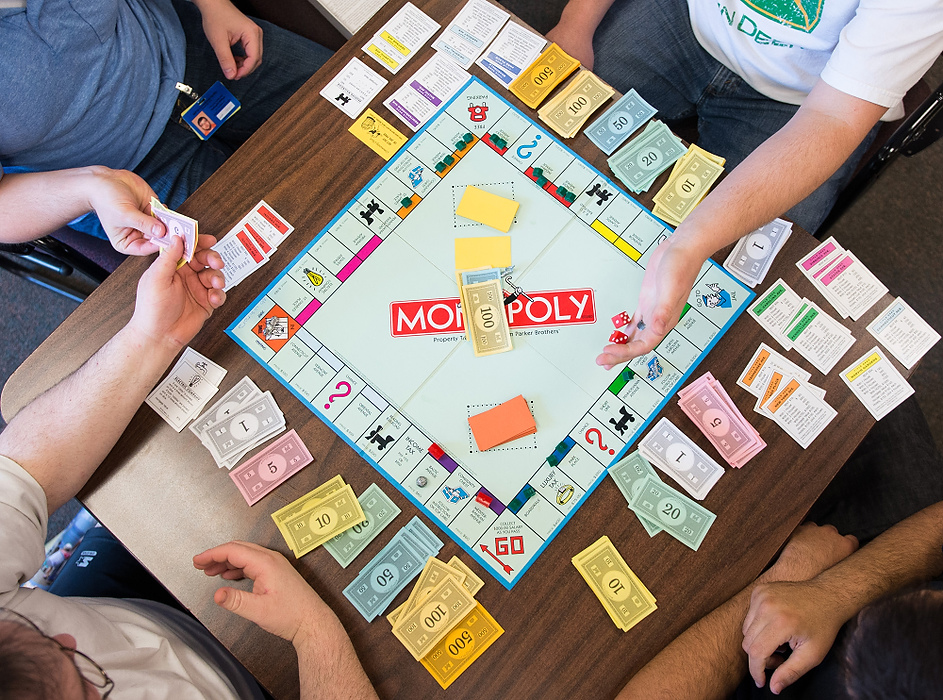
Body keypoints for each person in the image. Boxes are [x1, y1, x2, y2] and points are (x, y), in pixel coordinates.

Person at [0, 212, 376, 697]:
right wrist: (313, 633)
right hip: (251, 681)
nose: (71, 639)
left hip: (118, 598)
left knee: (114, 523)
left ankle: (57, 554)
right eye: (91, 683)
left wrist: (151, 337)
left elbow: (23, 471)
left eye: (39, 633)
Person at [542, 0, 943, 368]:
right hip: (685, 17)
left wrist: (691, 243)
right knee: (546, 124)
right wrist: (575, 23)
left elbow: (834, 118)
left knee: (743, 265)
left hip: (811, 100)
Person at [615, 397, 943, 699]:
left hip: (747, 665)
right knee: (867, 386)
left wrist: (789, 576)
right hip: (889, 559)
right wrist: (836, 593)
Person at [0, 0, 332, 250]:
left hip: (183, 44)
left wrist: (212, 3)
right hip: (126, 174)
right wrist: (93, 186)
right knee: (307, 252)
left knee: (373, 104)